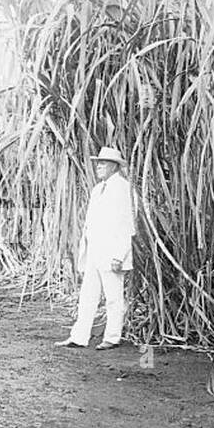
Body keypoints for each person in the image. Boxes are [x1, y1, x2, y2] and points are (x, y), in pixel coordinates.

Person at [55, 145, 137, 350]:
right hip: (94, 250)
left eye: (103, 163)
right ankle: (79, 336)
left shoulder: (122, 188)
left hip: (111, 252)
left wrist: (120, 255)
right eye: (98, 163)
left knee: (113, 296)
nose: (98, 166)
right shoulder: (97, 189)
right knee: (88, 295)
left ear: (114, 166)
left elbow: (127, 224)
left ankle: (112, 337)